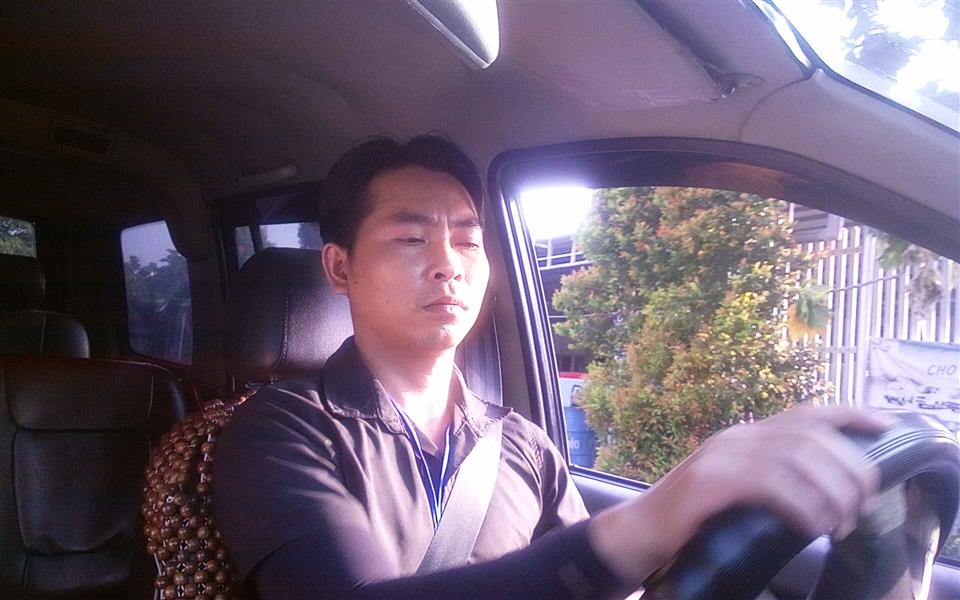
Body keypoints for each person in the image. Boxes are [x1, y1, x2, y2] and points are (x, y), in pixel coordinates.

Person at [212, 135, 890, 599]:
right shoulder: (278, 432)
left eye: (468, 240)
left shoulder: (524, 446)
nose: (448, 263)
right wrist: (642, 523)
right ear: (340, 268)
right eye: (411, 238)